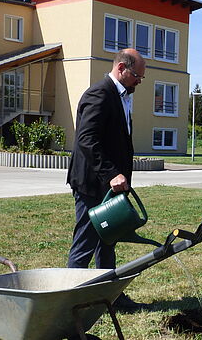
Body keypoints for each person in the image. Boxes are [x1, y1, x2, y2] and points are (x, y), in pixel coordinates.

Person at [66, 48, 146, 309]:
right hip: (93, 183)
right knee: (86, 242)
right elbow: (86, 140)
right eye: (136, 75)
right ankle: (68, 299)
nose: (139, 81)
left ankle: (109, 295)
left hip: (110, 185)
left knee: (108, 240)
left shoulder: (122, 96)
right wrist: (112, 173)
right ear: (121, 68)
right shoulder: (99, 94)